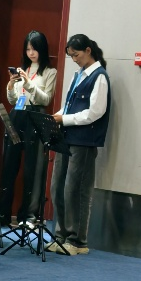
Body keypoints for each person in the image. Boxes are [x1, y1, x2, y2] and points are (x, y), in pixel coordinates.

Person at [47, 34, 110, 255]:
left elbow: (95, 112)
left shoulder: (99, 76)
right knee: (58, 188)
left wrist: (64, 119)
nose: (74, 59)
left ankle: (77, 240)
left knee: (75, 190)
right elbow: (68, 106)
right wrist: (56, 117)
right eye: (71, 56)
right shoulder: (78, 75)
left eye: (76, 55)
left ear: (88, 51)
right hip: (66, 138)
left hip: (84, 141)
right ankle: (61, 235)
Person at [0, 31, 57, 227]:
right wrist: (11, 85)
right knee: (8, 164)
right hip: (17, 114)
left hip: (35, 116)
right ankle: (1, 214)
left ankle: (28, 216)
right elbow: (13, 100)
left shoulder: (50, 72)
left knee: (32, 167)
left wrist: (29, 85)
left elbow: (46, 99)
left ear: (42, 49)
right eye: (28, 49)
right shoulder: (23, 69)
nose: (31, 53)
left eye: (35, 49)